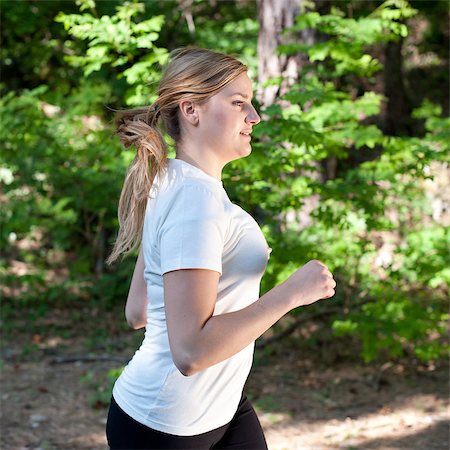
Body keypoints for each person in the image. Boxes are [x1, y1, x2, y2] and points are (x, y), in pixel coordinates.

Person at [105, 46, 336, 450]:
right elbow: (191, 352)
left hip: (220, 407)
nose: (254, 117)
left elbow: (138, 310)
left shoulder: (171, 182)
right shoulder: (194, 201)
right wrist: (292, 294)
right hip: (166, 427)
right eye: (238, 103)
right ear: (191, 110)